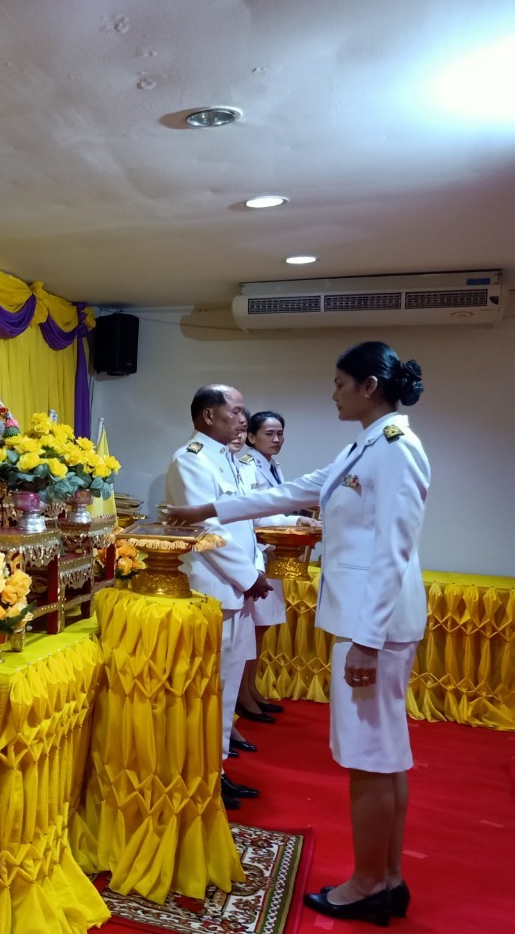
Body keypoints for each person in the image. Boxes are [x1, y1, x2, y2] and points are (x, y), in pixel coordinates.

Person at [164, 343, 428, 925]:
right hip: (368, 621)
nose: (333, 393)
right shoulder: (366, 446)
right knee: (383, 755)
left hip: (373, 625)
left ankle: (370, 883)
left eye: (339, 383)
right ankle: (385, 879)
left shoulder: (393, 449)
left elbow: (394, 550)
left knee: (370, 757)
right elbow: (290, 492)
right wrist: (206, 510)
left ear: (369, 386)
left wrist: (368, 639)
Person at [165, 385, 273, 810]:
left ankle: (216, 769)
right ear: (208, 416)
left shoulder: (229, 458)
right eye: (236, 410)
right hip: (212, 588)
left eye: (245, 411)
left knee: (225, 690)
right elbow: (207, 532)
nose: (243, 419)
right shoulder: (190, 459)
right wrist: (249, 577)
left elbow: (247, 517)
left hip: (236, 589)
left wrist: (255, 571)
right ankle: (200, 773)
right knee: (207, 688)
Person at [237, 411, 290, 721]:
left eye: (280, 433)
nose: (276, 439)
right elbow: (252, 514)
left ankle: (251, 687)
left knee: (262, 626)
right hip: (257, 553)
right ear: (251, 437)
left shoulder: (274, 466)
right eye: (269, 433)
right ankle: (242, 694)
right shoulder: (246, 466)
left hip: (273, 552)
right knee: (251, 626)